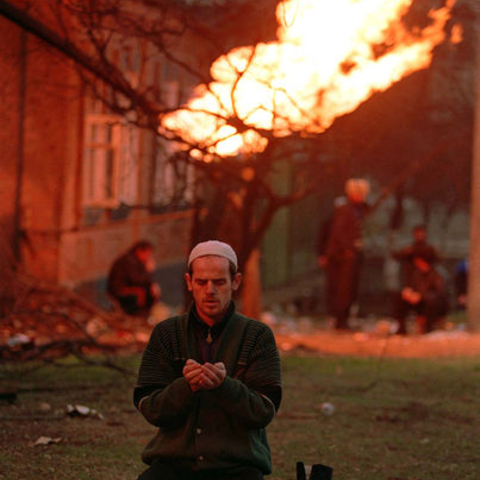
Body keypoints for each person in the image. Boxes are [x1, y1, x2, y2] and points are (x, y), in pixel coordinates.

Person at [134, 240, 282, 480]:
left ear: (235, 282)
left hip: (237, 466)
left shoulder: (257, 336)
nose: (210, 290)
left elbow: (264, 410)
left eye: (219, 282)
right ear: (189, 282)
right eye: (201, 282)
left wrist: (225, 387)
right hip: (174, 464)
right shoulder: (166, 333)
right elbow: (149, 407)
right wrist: (186, 387)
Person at [318, 179, 370, 330]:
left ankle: (343, 319)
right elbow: (339, 233)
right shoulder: (345, 210)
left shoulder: (355, 209)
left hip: (349, 255)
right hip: (342, 257)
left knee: (349, 289)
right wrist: (347, 249)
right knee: (343, 289)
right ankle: (340, 320)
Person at [392, 226, 447, 334]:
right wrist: (409, 294)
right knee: (398, 298)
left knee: (431, 302)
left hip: (427, 302)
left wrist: (421, 296)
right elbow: (396, 255)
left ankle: (427, 327)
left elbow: (438, 293)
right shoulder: (413, 273)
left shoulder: (434, 274)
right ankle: (401, 329)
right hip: (415, 300)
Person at [107, 240, 161, 316]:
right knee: (144, 293)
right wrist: (148, 270)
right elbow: (136, 279)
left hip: (130, 287)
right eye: (147, 254)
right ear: (139, 251)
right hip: (119, 290)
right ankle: (137, 316)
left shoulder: (135, 260)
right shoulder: (129, 260)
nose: (148, 257)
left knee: (151, 290)